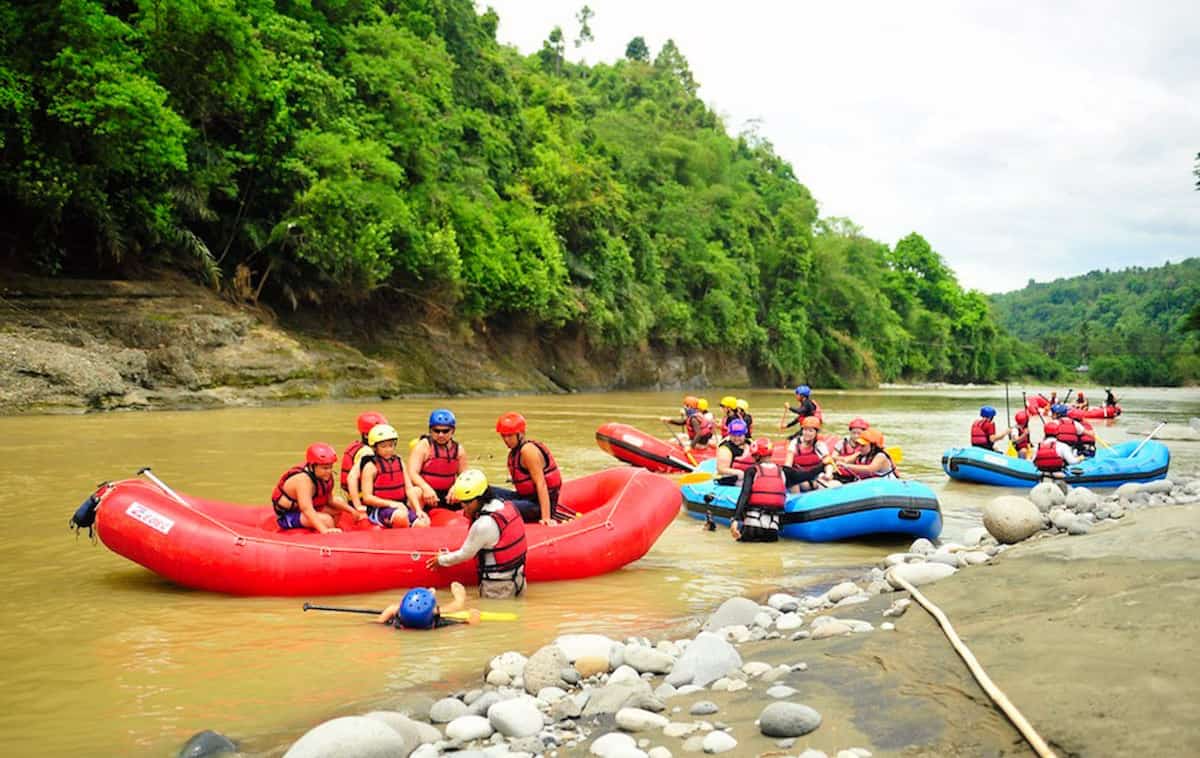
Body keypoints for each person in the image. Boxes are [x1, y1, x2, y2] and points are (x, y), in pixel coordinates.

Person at [426, 469, 526, 599]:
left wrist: (441, 560)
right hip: (519, 580)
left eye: (468, 502)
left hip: (497, 587)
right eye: (462, 502)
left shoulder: (483, 524)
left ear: (481, 498)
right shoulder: (504, 506)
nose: (464, 507)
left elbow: (465, 554)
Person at [492, 412, 575, 524]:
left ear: (521, 434)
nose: (506, 439)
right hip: (524, 498)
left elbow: (541, 483)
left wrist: (546, 517)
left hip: (537, 505)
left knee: (498, 506)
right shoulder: (515, 452)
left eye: (510, 435)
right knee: (487, 491)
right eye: (503, 436)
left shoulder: (528, 451)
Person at [271, 442, 362, 533]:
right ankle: (324, 537)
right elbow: (307, 509)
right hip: (287, 515)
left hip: (303, 510)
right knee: (327, 520)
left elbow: (330, 500)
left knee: (337, 510)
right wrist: (324, 530)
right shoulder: (303, 480)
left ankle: (328, 531)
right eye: (325, 468)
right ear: (312, 466)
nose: (329, 471)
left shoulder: (325, 476)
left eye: (330, 467)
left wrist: (352, 510)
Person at [360, 424, 428, 528]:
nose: (388, 449)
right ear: (375, 447)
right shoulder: (370, 467)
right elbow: (367, 498)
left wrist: (418, 510)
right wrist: (391, 504)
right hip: (379, 509)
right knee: (400, 516)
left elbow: (409, 489)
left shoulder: (399, 461)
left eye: (391, 445)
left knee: (424, 523)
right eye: (383, 446)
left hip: (400, 506)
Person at [408, 409, 468, 511]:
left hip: (449, 496)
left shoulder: (459, 450)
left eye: (445, 431)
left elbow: (464, 476)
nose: (441, 435)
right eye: (436, 431)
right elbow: (412, 473)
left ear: (453, 431)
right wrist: (425, 488)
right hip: (427, 494)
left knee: (469, 492)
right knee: (415, 492)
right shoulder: (423, 446)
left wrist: (456, 488)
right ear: (430, 430)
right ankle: (417, 518)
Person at [730, 438, 787, 542]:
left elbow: (744, 494)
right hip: (773, 527)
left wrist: (736, 519)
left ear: (757, 455)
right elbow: (806, 475)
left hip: (753, 524)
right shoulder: (783, 471)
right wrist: (823, 465)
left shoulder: (751, 471)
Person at [376, 583, 479, 629]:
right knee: (457, 605)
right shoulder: (439, 623)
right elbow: (471, 623)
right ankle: (459, 600)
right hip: (428, 618)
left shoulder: (396, 620)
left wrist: (387, 614)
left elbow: (382, 619)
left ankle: (430, 593)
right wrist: (474, 614)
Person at [341, 411, 388, 509]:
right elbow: (352, 478)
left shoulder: (357, 446)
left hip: (356, 498)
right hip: (366, 502)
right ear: (366, 435)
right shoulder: (367, 452)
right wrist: (358, 505)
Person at [784, 416, 835, 491]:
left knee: (833, 483)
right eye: (805, 430)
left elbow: (828, 463)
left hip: (816, 477)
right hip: (799, 478)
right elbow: (788, 465)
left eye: (810, 431)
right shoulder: (794, 443)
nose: (807, 433)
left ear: (816, 432)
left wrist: (828, 474)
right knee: (793, 483)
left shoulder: (819, 445)